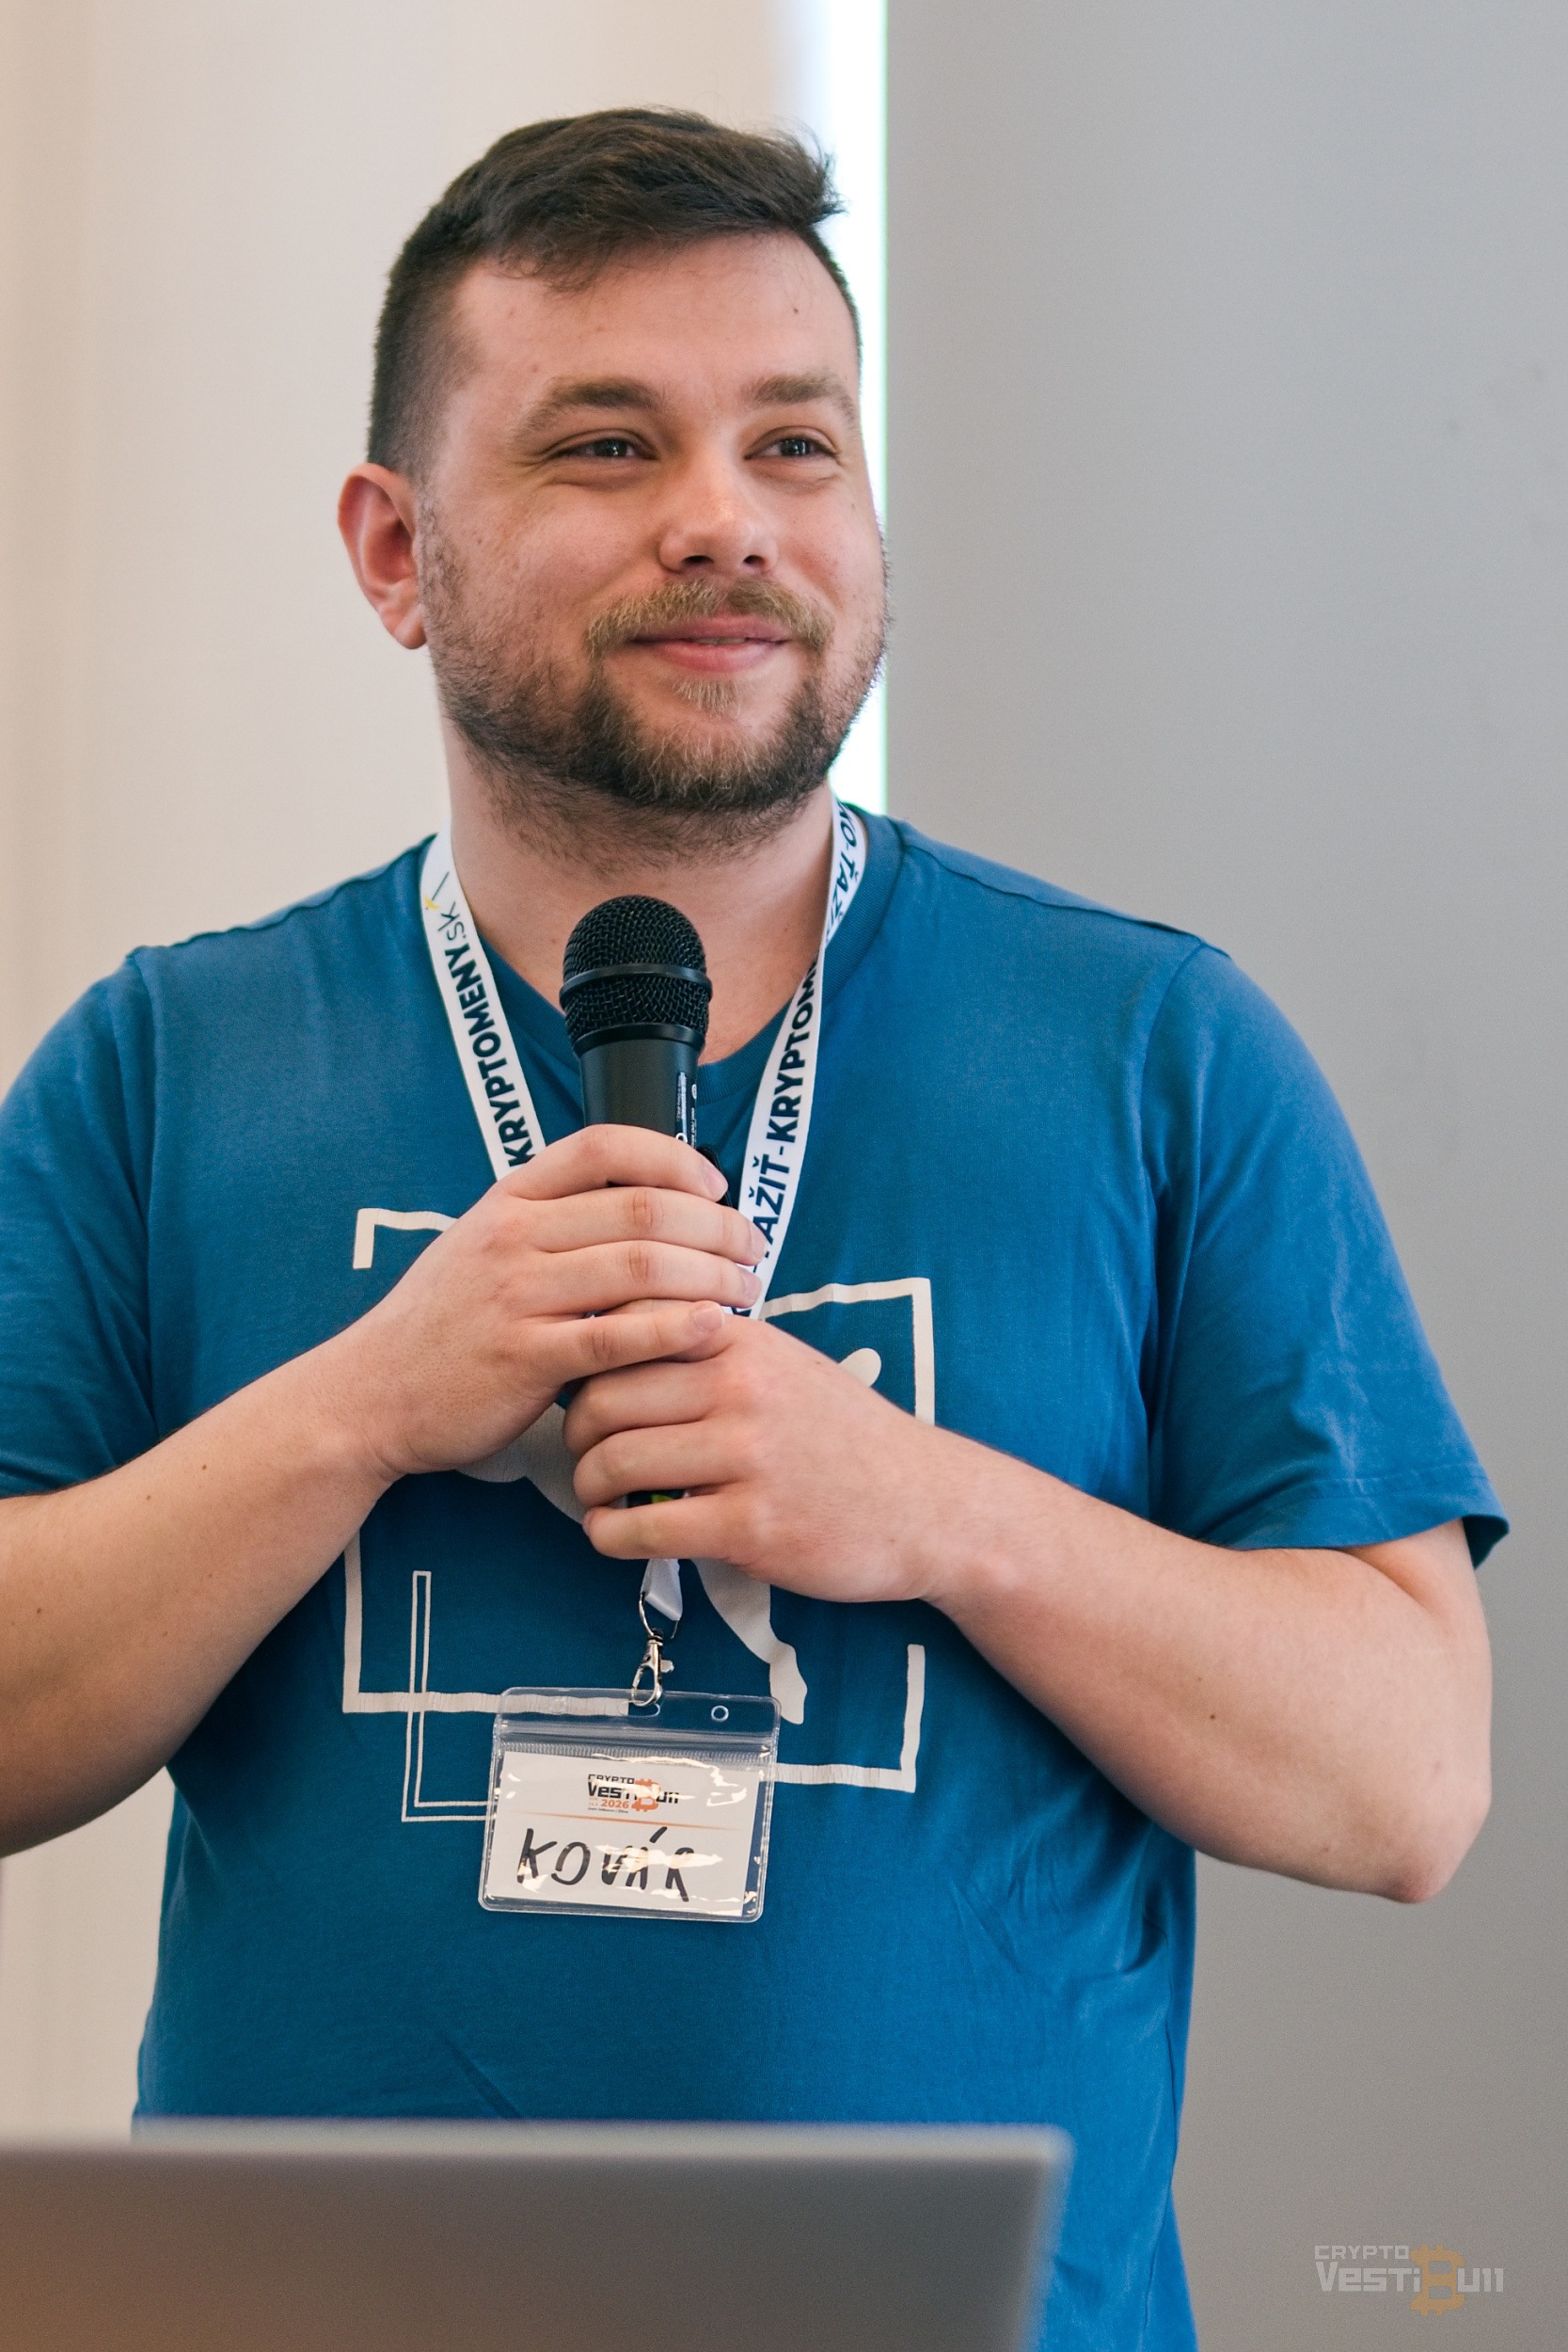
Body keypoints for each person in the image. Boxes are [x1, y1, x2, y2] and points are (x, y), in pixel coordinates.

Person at [0, 110, 1500, 2352]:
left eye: (795, 443)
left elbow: (1410, 1778)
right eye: (608, 444)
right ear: (396, 550)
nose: (724, 516)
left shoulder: (1152, 1049)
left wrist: (934, 1508)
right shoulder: (166, 1065)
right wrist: (363, 1409)